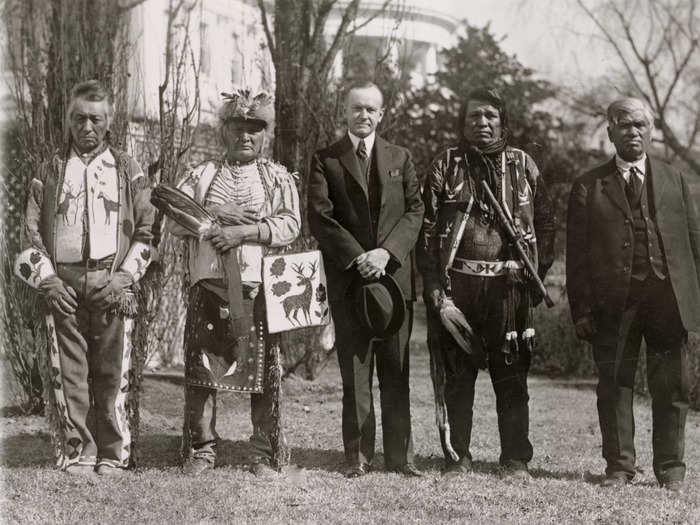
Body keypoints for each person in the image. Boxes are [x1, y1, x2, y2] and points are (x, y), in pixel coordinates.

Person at [14, 80, 155, 476]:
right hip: (64, 285)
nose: (87, 127)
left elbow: (148, 230)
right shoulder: (50, 170)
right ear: (68, 121)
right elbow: (29, 234)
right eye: (79, 118)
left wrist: (125, 278)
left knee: (113, 372)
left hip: (113, 283)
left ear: (109, 122)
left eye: (95, 119)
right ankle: (79, 450)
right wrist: (49, 281)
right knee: (70, 371)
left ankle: (113, 452)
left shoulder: (128, 170)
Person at [417, 88, 555, 480]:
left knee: (511, 375)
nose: (482, 123)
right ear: (463, 123)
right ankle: (457, 456)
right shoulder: (446, 164)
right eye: (474, 116)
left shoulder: (524, 165)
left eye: (490, 116)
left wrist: (537, 275)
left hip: (511, 287)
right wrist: (432, 283)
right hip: (458, 287)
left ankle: (515, 459)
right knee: (457, 376)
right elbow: (427, 230)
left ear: (503, 121)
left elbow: (546, 224)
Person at [566, 97, 700, 493]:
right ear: (609, 130)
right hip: (613, 303)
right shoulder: (588, 185)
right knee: (614, 384)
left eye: (641, 124)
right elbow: (576, 257)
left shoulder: (675, 179)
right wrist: (581, 311)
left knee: (673, 385)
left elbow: (695, 245)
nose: (633, 131)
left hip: (668, 300)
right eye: (624, 124)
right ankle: (620, 468)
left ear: (652, 129)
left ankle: (671, 468)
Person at [166, 89, 301, 476]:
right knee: (202, 371)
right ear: (224, 131)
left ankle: (261, 451)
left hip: (257, 290)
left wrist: (244, 231)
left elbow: (290, 225)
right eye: (238, 128)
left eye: (254, 130)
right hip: (208, 287)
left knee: (261, 373)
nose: (245, 136)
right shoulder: (202, 174)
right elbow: (174, 220)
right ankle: (203, 449)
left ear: (265, 135)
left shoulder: (276, 177)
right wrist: (213, 215)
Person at [308, 81, 424, 478]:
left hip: (394, 281)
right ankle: (356, 456)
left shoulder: (401, 157)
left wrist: (386, 253)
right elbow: (320, 217)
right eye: (357, 108)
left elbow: (415, 211)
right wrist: (359, 257)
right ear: (345, 111)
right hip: (351, 281)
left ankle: (400, 457)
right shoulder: (326, 159)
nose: (364, 115)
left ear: (382, 114)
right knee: (356, 372)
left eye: (371, 109)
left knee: (397, 370)